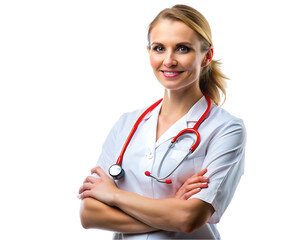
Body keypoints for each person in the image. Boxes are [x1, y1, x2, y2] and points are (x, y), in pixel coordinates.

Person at [78, 4, 246, 239]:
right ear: (149, 52)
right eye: (159, 48)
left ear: (207, 56)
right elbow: (90, 214)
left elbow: (189, 218)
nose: (169, 60)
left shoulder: (226, 129)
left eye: (182, 49)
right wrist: (172, 209)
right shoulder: (127, 124)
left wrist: (114, 196)